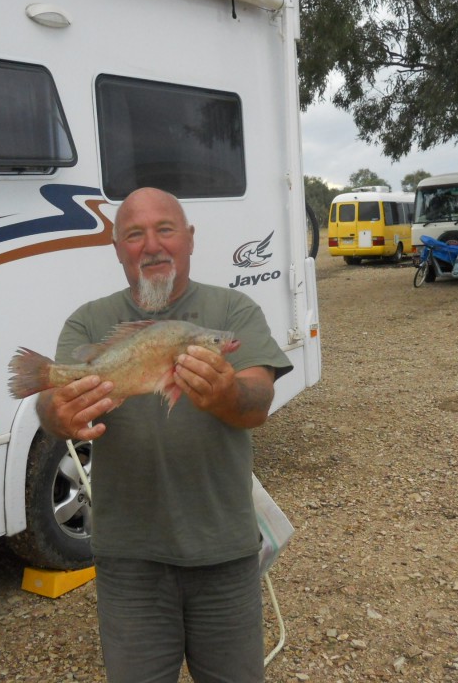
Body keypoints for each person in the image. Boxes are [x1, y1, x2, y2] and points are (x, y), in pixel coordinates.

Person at [36, 187, 292, 683]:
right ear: (117, 249)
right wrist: (55, 412)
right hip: (129, 561)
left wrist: (225, 395)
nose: (152, 246)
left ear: (190, 239)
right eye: (134, 234)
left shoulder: (233, 310)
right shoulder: (88, 321)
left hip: (224, 552)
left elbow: (258, 401)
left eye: (165, 230)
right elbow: (51, 403)